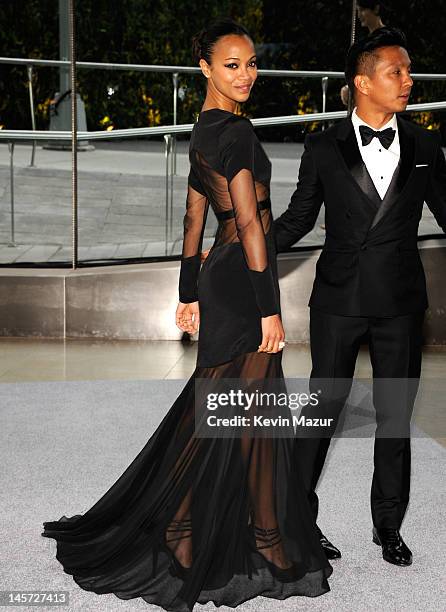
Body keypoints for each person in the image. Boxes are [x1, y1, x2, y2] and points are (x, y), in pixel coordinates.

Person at [41, 18, 332, 612]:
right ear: (205, 67)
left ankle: (197, 525)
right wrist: (270, 310)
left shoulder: (203, 130)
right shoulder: (240, 135)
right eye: (232, 64)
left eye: (251, 63)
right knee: (248, 415)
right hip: (247, 285)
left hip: (219, 280)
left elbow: (193, 220)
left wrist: (189, 293)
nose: (246, 74)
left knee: (234, 411)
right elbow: (251, 224)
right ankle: (260, 537)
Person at [274, 27, 446, 567]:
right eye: (397, 72)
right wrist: (242, 249)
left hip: (399, 302)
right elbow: (300, 218)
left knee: (395, 417)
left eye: (409, 72)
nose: (408, 81)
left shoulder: (423, 144)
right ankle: (298, 518)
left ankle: (388, 525)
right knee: (323, 411)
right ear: (363, 82)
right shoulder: (323, 145)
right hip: (338, 301)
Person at [340, 1, 386, 106]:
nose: (359, 15)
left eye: (362, 10)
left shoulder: (386, 37)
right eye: (357, 11)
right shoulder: (366, 40)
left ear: (376, 9)